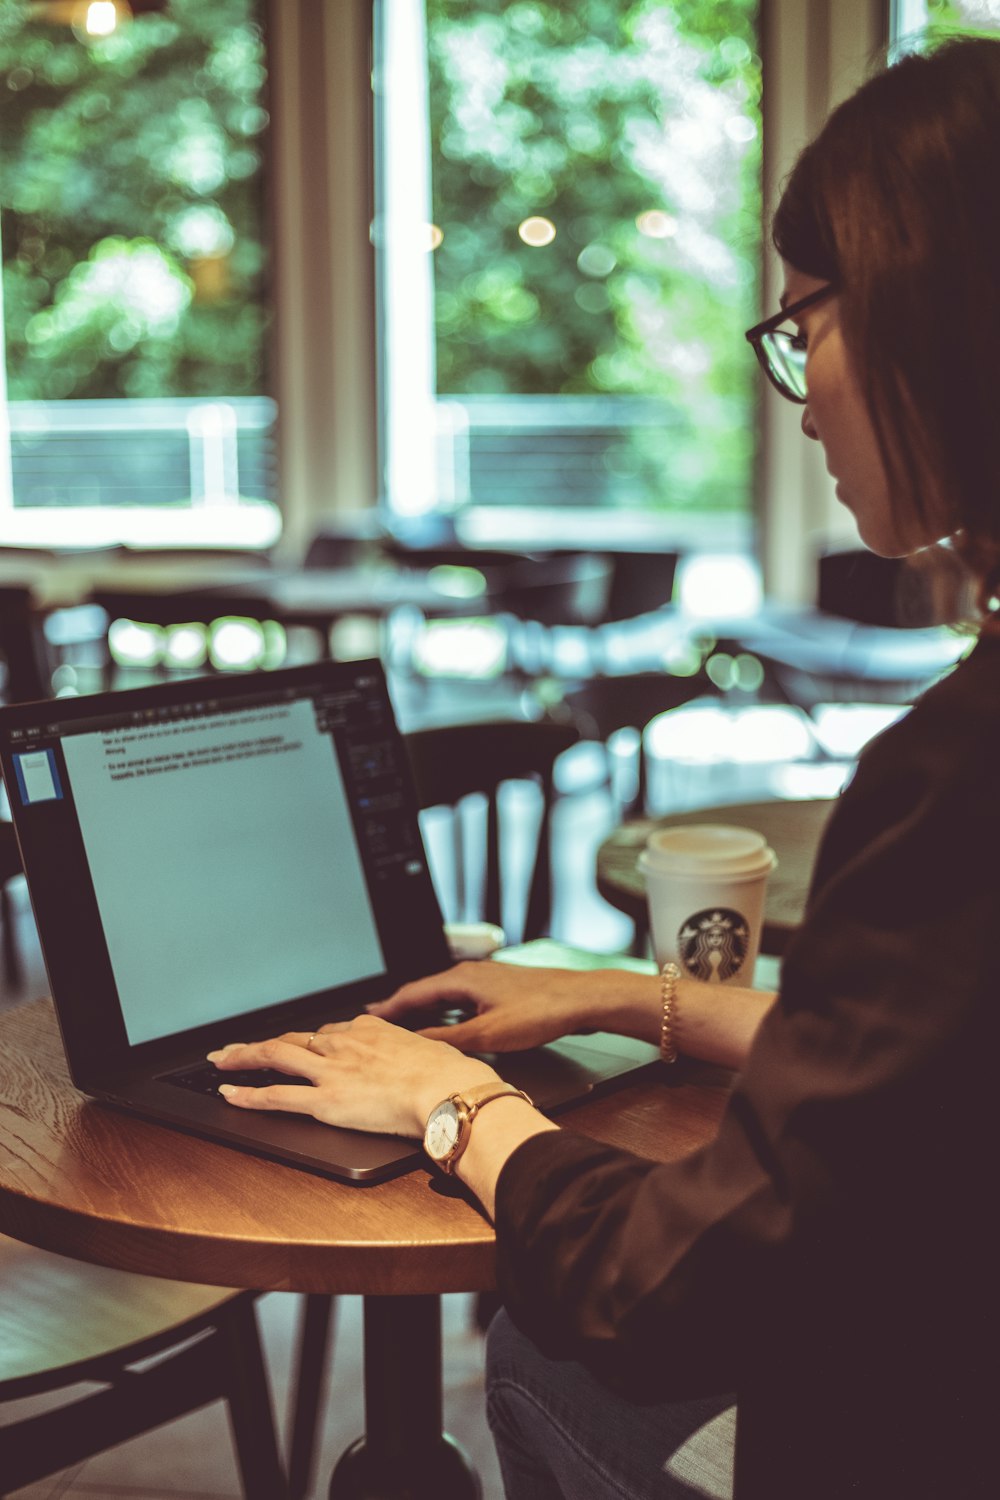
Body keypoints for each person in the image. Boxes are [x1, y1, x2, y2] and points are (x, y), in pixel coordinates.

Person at [207, 34, 1000, 1498]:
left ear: (924, 318)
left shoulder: (961, 775)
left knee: (545, 1351)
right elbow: (933, 1081)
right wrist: (635, 1000)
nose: (803, 393)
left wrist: (450, 1109)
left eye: (802, 325)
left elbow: (662, 1290)